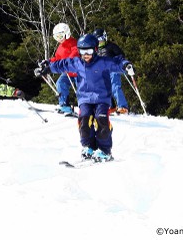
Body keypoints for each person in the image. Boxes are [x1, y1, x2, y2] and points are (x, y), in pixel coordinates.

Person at [35, 34, 135, 162]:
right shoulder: (77, 63)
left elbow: (117, 62)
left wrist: (126, 65)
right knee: (84, 120)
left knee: (101, 120)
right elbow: (61, 64)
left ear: (95, 50)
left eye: (88, 51)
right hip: (84, 98)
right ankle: (89, 147)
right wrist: (46, 67)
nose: (85, 55)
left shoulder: (103, 62)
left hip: (102, 99)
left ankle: (105, 150)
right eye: (82, 51)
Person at [93, 28, 129, 114]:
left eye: (101, 40)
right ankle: (111, 106)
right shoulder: (95, 50)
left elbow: (121, 55)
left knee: (115, 86)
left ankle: (123, 106)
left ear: (105, 38)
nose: (100, 42)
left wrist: (117, 61)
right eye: (97, 41)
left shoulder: (111, 46)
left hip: (113, 69)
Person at [50, 23, 79, 114]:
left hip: (79, 72)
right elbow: (57, 59)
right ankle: (64, 105)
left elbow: (75, 53)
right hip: (68, 73)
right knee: (60, 83)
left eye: (60, 36)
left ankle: (88, 108)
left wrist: (67, 62)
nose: (59, 39)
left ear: (67, 34)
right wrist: (48, 62)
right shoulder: (60, 47)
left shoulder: (74, 43)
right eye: (56, 37)